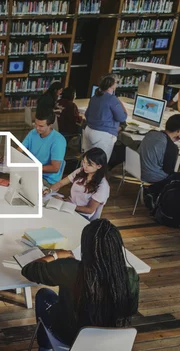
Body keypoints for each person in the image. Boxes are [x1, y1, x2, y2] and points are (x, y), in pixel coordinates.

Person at [22, 219, 139, 349]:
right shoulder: (130, 275)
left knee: (44, 295)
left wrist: (56, 255)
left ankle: (46, 347)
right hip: (112, 342)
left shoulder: (71, 269)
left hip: (71, 338)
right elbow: (131, 310)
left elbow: (29, 270)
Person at [44, 148, 110, 219]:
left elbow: (90, 210)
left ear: (99, 166)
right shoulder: (81, 171)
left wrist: (65, 204)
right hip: (69, 206)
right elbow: (61, 183)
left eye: (89, 165)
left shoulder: (102, 186)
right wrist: (49, 190)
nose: (85, 166)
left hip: (82, 214)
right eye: (84, 162)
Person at [84, 74, 128, 161]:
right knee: (100, 164)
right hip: (103, 135)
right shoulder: (112, 99)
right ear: (112, 85)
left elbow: (87, 114)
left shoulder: (95, 96)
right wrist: (121, 105)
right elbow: (122, 117)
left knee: (88, 161)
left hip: (89, 131)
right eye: (116, 82)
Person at [139, 114, 180, 206]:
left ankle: (153, 191)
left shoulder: (151, 133)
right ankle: (154, 192)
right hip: (153, 177)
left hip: (139, 170)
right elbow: (168, 171)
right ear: (178, 131)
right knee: (176, 177)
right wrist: (172, 147)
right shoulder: (172, 148)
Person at [22, 111, 67, 186]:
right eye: (35, 124)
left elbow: (55, 168)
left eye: (41, 126)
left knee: (23, 186)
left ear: (50, 125)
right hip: (32, 172)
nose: (37, 128)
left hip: (47, 179)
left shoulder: (58, 140)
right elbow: (20, 149)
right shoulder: (33, 133)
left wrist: (33, 168)